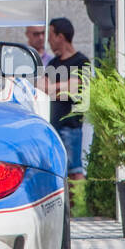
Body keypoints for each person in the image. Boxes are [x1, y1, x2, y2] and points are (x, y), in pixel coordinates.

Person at [45, 17, 90, 181]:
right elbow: (41, 88)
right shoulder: (53, 63)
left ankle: (80, 205)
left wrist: (53, 88)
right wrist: (61, 87)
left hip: (71, 126)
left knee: (75, 171)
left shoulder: (81, 61)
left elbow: (77, 85)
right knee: (58, 173)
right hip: (53, 126)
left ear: (60, 37)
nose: (48, 40)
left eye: (50, 35)